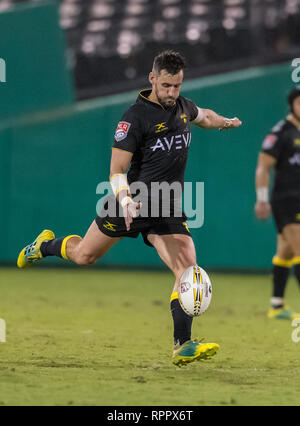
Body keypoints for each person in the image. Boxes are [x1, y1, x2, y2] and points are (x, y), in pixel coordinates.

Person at [17, 50, 242, 365]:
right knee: (84, 256)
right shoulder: (133, 118)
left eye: (176, 86)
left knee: (187, 268)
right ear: (152, 78)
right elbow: (116, 171)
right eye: (165, 86)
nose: (171, 93)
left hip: (166, 205)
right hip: (130, 203)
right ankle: (45, 245)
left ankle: (183, 345)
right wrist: (124, 200)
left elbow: (205, 116)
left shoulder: (183, 107)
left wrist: (227, 122)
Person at [255, 87, 300, 320]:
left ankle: (277, 305)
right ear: (292, 105)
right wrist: (262, 200)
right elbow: (263, 166)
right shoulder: (281, 132)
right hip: (286, 199)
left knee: (286, 249)